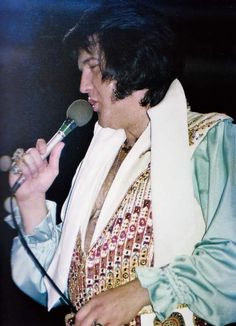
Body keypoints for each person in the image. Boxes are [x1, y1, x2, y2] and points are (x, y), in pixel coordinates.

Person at [6, 1, 236, 326]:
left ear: (132, 63)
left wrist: (143, 290)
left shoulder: (210, 139)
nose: (83, 85)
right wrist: (30, 201)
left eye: (93, 66)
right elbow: (56, 285)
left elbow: (231, 265)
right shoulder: (100, 158)